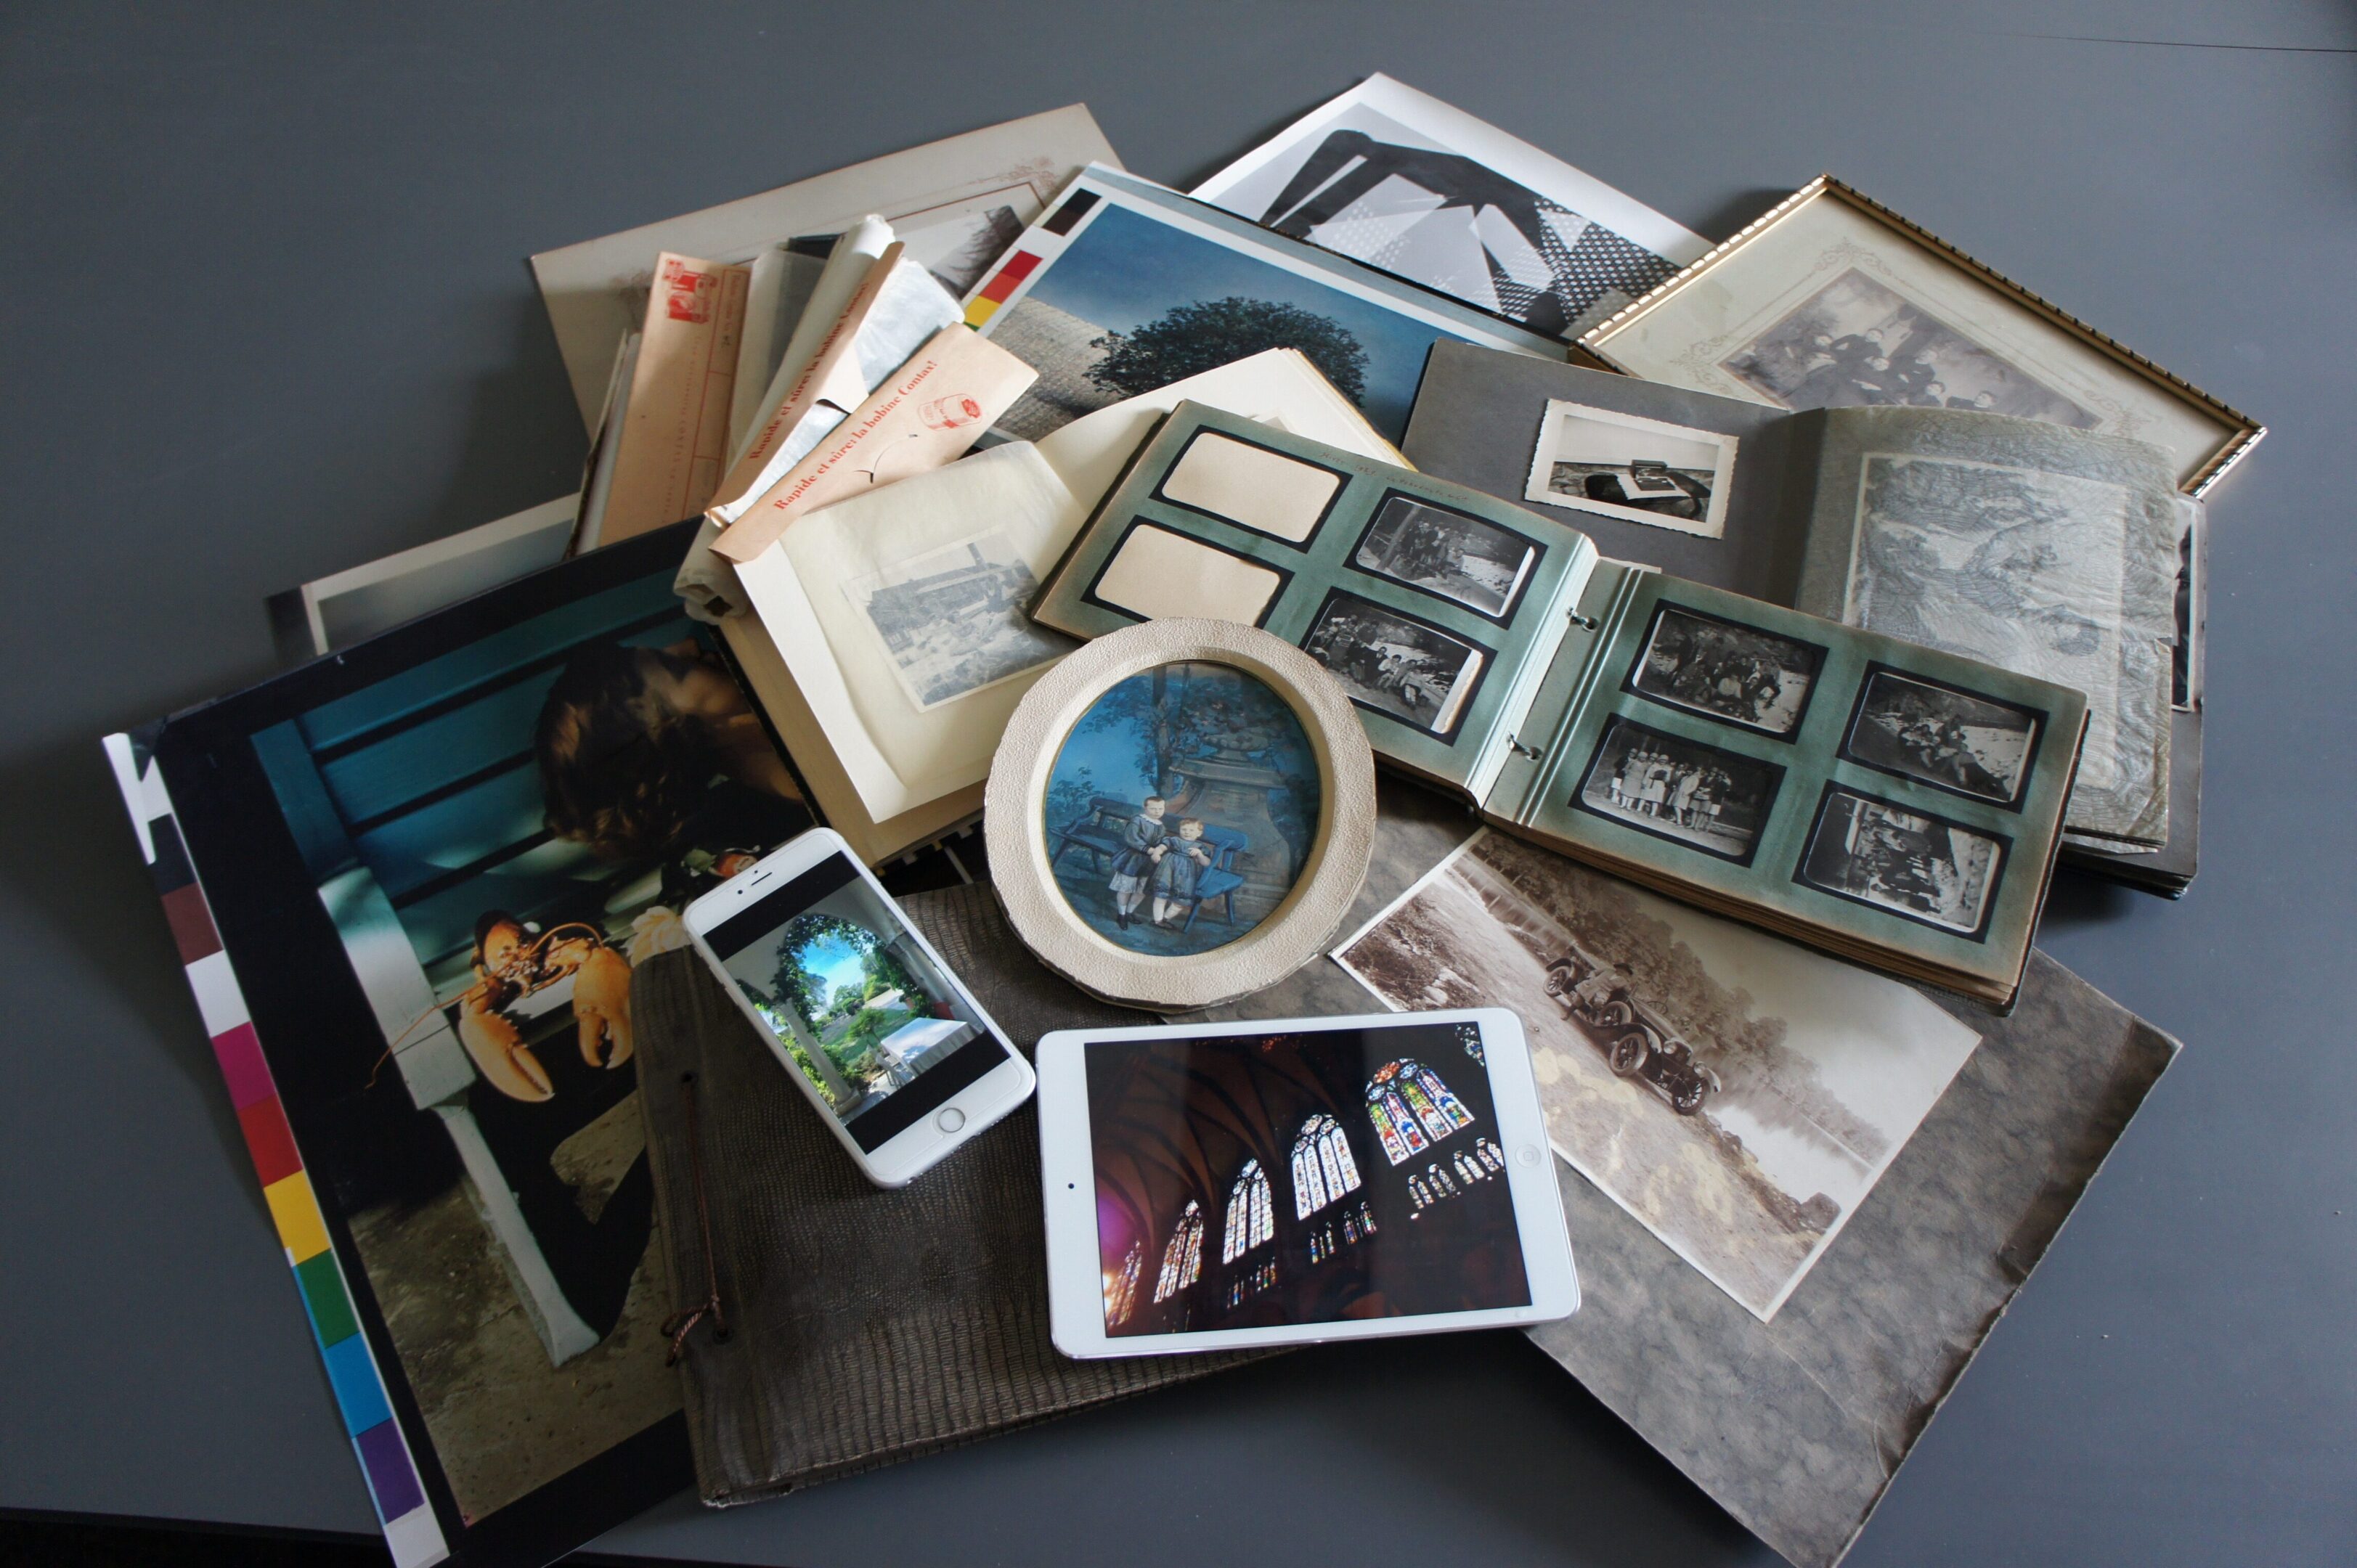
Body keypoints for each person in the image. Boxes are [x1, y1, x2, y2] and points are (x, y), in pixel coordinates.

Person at [535, 639, 804, 863]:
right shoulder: (802, 763)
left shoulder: (775, 759)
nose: (689, 645)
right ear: (671, 731)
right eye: (678, 669)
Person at [1108, 796, 1169, 930]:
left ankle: (1130, 912)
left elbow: (1163, 841)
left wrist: (1160, 849)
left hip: (1149, 862)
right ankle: (1121, 915)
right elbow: (1132, 838)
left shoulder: (1161, 826)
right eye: (1153, 808)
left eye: (1160, 809)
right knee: (1126, 888)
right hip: (1133, 859)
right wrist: (1151, 850)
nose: (1157, 811)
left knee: (1142, 890)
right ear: (1145, 808)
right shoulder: (1137, 820)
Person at [1149, 818, 1215, 926]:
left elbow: (1206, 863)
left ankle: (1165, 919)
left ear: (1199, 833)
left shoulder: (1200, 847)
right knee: (1161, 896)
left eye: (1191, 830)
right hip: (1168, 870)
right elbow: (1161, 847)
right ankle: (1157, 920)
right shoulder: (1174, 840)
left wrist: (1200, 854)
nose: (1187, 832)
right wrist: (1156, 853)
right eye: (1184, 829)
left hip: (1186, 875)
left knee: (1180, 902)